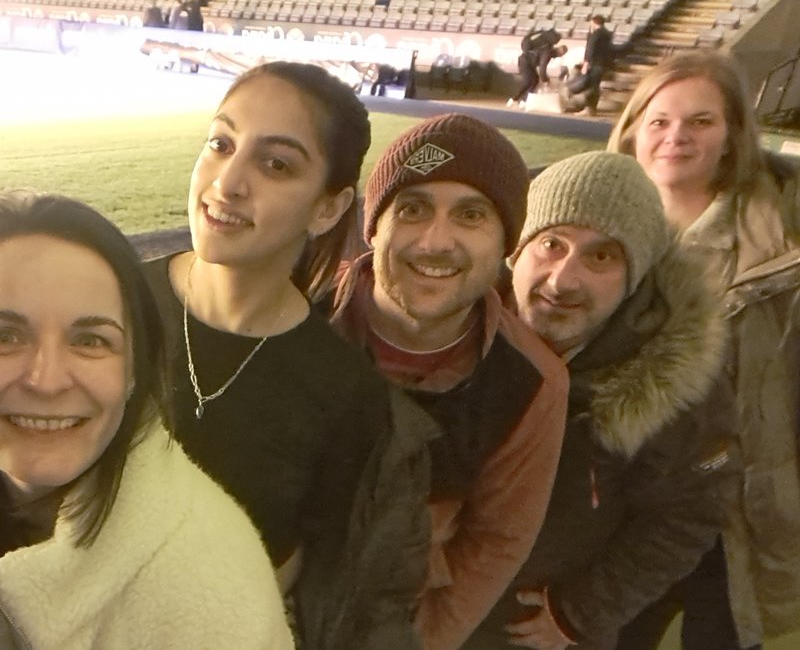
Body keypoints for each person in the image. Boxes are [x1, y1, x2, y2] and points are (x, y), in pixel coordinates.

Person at [0, 192, 293, 650]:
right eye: (3, 336)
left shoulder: (214, 586)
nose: (47, 380)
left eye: (91, 341)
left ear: (133, 368)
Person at [144, 60, 432, 648]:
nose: (227, 182)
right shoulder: (106, 301)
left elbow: (304, 572)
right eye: (221, 143)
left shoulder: (345, 392)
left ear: (328, 208)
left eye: (276, 164)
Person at [464, 151, 736, 650]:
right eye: (551, 244)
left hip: (533, 632)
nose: (564, 280)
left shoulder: (674, 384)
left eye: (602, 256)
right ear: (515, 250)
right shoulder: (456, 324)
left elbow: (686, 516)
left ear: (636, 279)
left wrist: (578, 612)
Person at [329, 113, 570, 650]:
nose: (436, 242)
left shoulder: (532, 383)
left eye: (471, 214)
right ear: (375, 226)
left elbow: (496, 541)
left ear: (506, 242)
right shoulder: (296, 319)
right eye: (413, 209)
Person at [608, 49, 800, 650]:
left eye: (700, 121)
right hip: (628, 506)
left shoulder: (784, 245)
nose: (676, 137)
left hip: (734, 510)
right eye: (659, 120)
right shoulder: (599, 231)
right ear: (633, 130)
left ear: (732, 136)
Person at [509, 29, 567, 107]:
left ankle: (524, 101)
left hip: (526, 61)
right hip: (526, 63)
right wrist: (545, 81)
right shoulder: (547, 50)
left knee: (534, 81)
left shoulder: (543, 38)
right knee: (528, 82)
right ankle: (514, 100)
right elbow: (542, 68)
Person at [580, 15, 613, 116]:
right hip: (603, 64)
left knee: (591, 86)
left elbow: (590, 48)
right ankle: (592, 108)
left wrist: (585, 63)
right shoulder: (607, 34)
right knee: (595, 86)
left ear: (594, 22)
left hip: (594, 64)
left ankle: (588, 108)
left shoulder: (596, 34)